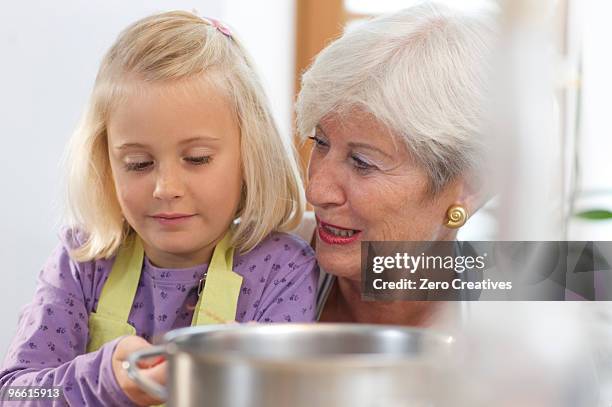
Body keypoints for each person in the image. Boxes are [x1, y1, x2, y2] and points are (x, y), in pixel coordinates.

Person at [1, 11, 317, 406]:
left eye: (197, 159)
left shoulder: (281, 269)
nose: (166, 189)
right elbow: (17, 392)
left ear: (250, 154)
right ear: (106, 162)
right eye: (138, 164)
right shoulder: (82, 263)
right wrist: (103, 382)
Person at [296, 3, 494, 325]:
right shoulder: (252, 266)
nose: (316, 190)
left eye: (362, 162)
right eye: (320, 143)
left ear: (468, 189)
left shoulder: (528, 325)